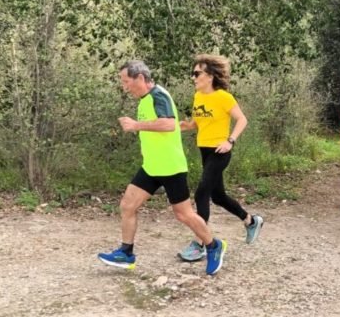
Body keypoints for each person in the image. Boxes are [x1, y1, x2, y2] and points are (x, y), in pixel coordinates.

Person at [97, 60, 226, 275]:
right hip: (152, 166)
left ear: (140, 78)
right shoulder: (145, 99)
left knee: (184, 214)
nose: (124, 86)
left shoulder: (158, 95)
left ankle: (214, 246)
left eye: (126, 81)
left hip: (170, 166)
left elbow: (168, 124)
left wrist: (136, 125)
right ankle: (126, 253)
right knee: (128, 205)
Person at [178, 54, 263, 262]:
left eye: (197, 73)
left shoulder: (224, 97)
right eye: (193, 73)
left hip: (220, 151)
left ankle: (201, 244)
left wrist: (230, 141)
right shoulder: (198, 96)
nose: (193, 77)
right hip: (204, 150)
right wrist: (187, 126)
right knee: (218, 196)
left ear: (210, 76)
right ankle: (251, 221)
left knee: (201, 194)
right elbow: (200, 122)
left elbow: (242, 119)